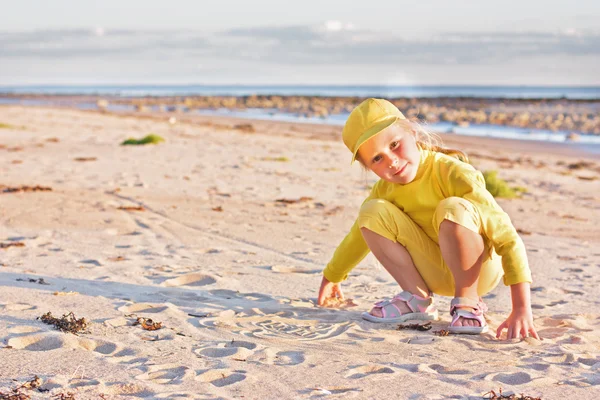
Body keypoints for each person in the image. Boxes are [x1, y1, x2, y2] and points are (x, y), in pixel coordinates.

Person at [317, 98, 539, 340]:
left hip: (479, 271)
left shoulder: (452, 172)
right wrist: (332, 276)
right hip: (431, 271)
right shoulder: (384, 190)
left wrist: (521, 308)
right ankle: (417, 298)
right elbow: (358, 236)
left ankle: (468, 301)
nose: (391, 160)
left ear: (412, 131)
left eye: (394, 144)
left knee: (452, 207)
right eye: (377, 159)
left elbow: (507, 238)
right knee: (370, 211)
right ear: (368, 167)